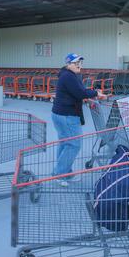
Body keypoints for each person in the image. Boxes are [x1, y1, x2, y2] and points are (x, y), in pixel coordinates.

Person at [52, 53, 105, 185]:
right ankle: (60, 174)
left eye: (80, 63)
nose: (79, 66)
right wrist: (96, 93)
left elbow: (78, 91)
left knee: (65, 143)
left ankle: (64, 172)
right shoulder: (69, 77)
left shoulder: (68, 75)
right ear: (68, 64)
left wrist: (91, 93)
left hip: (60, 114)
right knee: (74, 145)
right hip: (67, 116)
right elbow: (80, 93)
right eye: (76, 63)